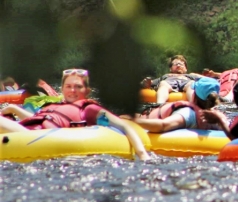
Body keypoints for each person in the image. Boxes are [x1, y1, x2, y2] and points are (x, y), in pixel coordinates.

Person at [0, 69, 150, 160]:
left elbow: (123, 125)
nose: (72, 91)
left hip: (37, 139)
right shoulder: (55, 105)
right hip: (25, 132)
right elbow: (36, 120)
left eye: (78, 87)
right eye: (69, 86)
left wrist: (143, 155)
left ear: (87, 91)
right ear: (63, 89)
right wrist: (14, 109)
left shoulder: (88, 108)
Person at [135, 77, 229, 133]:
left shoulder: (187, 114)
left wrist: (133, 121)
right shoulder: (219, 117)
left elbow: (163, 125)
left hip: (147, 119)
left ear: (194, 95)